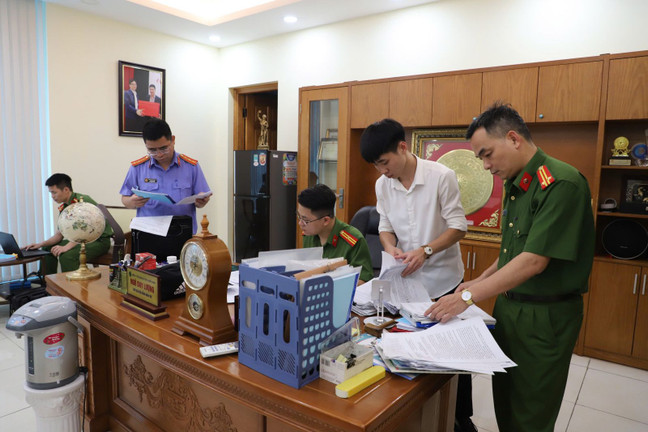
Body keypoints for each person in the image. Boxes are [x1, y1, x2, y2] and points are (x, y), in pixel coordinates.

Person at [426, 103, 595, 432]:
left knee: (531, 412)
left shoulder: (560, 183)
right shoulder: (518, 184)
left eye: (487, 155)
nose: (486, 166)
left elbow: (534, 261)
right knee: (506, 401)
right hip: (509, 309)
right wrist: (478, 280)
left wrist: (468, 297)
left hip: (544, 316)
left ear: (514, 139)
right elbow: (513, 251)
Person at [360, 118, 474, 432]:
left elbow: (458, 227)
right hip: (407, 284)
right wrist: (390, 247)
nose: (382, 170)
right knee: (413, 353)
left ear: (402, 147)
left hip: (443, 281)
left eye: (384, 162)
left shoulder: (441, 176)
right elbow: (385, 226)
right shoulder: (383, 185)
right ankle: (420, 417)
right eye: (376, 165)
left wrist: (425, 250)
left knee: (452, 355)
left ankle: (460, 419)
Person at [120, 118, 211, 234]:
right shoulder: (137, 168)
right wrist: (132, 202)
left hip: (182, 232)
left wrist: (202, 201)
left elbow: (201, 197)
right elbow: (125, 199)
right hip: (148, 233)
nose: (159, 154)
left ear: (173, 140)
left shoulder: (191, 166)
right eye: (152, 150)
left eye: (164, 148)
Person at [24, 173, 113, 274]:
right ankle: (46, 280)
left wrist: (66, 247)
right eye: (51, 193)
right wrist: (40, 244)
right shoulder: (65, 207)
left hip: (98, 241)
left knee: (67, 256)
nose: (52, 196)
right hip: (80, 240)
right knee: (46, 248)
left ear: (66, 189)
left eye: (54, 192)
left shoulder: (83, 201)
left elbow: (85, 232)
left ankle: (72, 284)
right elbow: (59, 234)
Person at [298, 184, 373, 283]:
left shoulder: (353, 240)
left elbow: (363, 280)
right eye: (299, 216)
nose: (300, 223)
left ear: (325, 220)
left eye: (305, 220)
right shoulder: (309, 234)